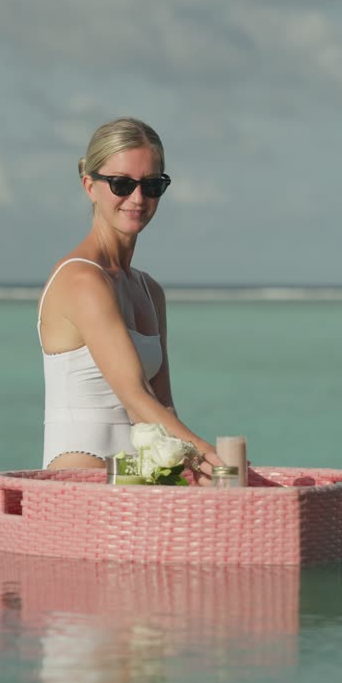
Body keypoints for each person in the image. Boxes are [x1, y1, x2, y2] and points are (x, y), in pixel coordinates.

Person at [38, 117, 221, 477]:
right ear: (90, 185)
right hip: (81, 474)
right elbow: (134, 397)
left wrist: (195, 470)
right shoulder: (81, 279)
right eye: (122, 184)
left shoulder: (149, 291)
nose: (137, 198)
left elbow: (163, 408)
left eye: (152, 185)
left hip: (141, 480)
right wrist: (209, 457)